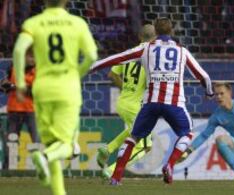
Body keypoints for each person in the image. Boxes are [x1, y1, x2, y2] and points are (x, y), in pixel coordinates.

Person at [91, 17, 213, 185]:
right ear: (172, 31)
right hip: (174, 103)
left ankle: (116, 176)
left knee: (133, 137)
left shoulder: (145, 49)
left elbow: (116, 59)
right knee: (186, 133)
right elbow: (203, 76)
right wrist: (209, 91)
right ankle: (169, 165)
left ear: (156, 31)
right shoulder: (182, 51)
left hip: (149, 103)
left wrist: (93, 67)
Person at [12, 0, 98, 194]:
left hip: (42, 89)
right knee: (66, 146)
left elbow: (18, 51)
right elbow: (92, 55)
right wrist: (77, 73)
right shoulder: (77, 23)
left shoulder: (33, 23)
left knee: (52, 143)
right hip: (67, 88)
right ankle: (44, 156)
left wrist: (20, 83)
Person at [96, 24, 156, 178]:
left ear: (139, 37)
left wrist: (126, 89)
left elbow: (111, 74)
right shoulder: (152, 56)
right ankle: (112, 170)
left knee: (133, 130)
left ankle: (108, 149)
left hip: (123, 102)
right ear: (155, 38)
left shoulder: (128, 54)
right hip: (136, 106)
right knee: (145, 145)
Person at [0, 50, 38, 169]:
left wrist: (14, 87)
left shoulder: (38, 71)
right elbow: (6, 84)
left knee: (37, 141)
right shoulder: (13, 67)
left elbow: (36, 92)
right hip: (14, 110)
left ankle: (41, 168)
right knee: (11, 142)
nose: (33, 60)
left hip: (31, 110)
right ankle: (8, 169)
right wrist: (3, 84)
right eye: (31, 56)